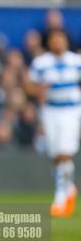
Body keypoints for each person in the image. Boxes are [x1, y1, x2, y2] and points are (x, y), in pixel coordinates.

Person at [27, 29, 80, 218]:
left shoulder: (76, 61)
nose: (57, 42)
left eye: (61, 39)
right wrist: (37, 91)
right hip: (50, 110)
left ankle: (60, 196)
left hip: (71, 110)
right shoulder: (41, 63)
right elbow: (29, 84)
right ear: (49, 42)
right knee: (55, 154)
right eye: (54, 39)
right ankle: (70, 187)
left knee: (65, 152)